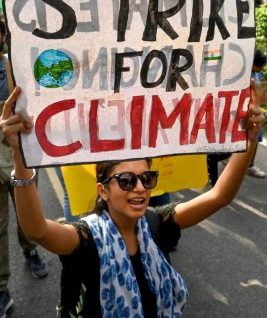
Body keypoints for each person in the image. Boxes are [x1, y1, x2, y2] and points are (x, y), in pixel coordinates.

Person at [0, 81, 264, 317]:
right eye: (126, 181)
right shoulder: (84, 238)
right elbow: (37, 229)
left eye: (146, 178)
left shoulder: (157, 222)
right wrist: (20, 156)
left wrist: (249, 140)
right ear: (103, 190)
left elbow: (220, 196)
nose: (139, 188)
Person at [0, 21, 48, 318]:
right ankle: (2, 286)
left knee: (25, 210)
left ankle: (30, 248)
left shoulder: (17, 65)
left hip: (21, 154)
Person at [247, 49, 267, 178]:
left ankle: (250, 164)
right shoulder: (245, 72)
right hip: (246, 110)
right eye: (259, 66)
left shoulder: (257, 74)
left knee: (256, 136)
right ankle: (248, 165)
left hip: (255, 109)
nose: (260, 69)